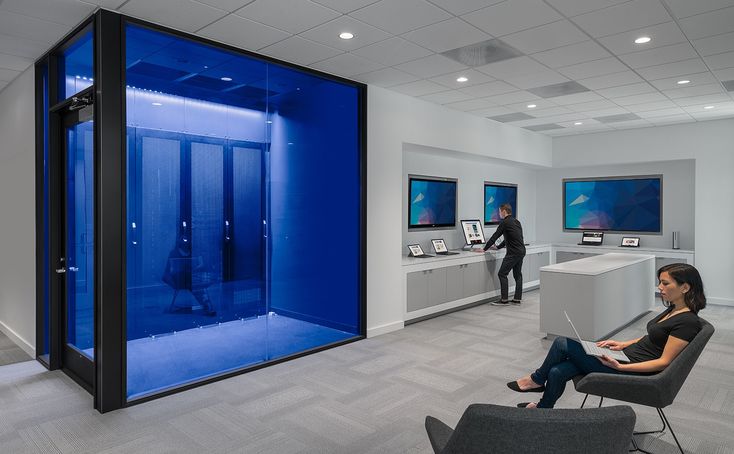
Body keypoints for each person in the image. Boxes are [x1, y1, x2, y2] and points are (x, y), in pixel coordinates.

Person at [508, 263, 706, 409]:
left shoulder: (687, 322)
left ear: (685, 287)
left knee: (561, 343)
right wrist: (621, 344)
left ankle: (535, 380)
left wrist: (621, 366)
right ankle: (543, 409)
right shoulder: (673, 310)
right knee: (558, 371)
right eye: (659, 283)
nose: (660, 288)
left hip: (629, 371)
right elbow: (653, 339)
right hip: (624, 357)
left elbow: (663, 362)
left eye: (665, 283)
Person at [477, 203, 526, 306]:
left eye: (499, 211)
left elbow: (495, 236)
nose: (499, 213)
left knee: (502, 274)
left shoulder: (505, 222)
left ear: (504, 211)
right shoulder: (516, 222)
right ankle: (517, 299)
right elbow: (510, 237)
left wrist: (484, 249)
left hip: (513, 252)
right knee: (518, 275)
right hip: (521, 251)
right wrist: (498, 247)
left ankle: (504, 300)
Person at [162, 233, 216, 316]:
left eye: (187, 241)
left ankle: (207, 306)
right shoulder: (174, 253)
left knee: (196, 285)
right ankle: (207, 306)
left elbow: (201, 264)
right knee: (196, 286)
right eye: (183, 241)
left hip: (191, 277)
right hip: (179, 278)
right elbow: (170, 269)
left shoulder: (193, 252)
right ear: (179, 242)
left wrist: (195, 269)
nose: (185, 243)